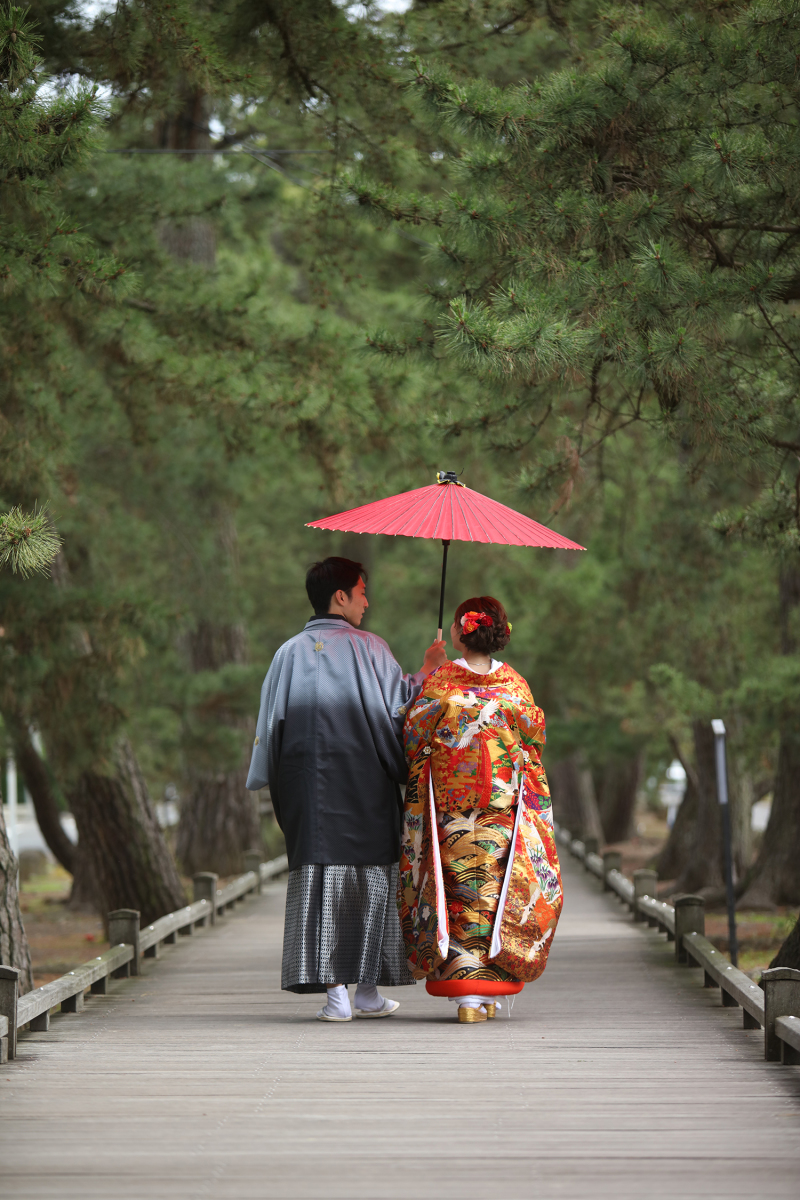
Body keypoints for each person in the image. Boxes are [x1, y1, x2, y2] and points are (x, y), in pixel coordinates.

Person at [246, 556, 446, 1022]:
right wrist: (429, 668)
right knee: (374, 878)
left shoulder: (287, 653)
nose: (366, 601)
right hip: (365, 779)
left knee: (320, 878)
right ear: (341, 596)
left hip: (306, 786)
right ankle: (368, 990)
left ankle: (338, 995)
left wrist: (275, 781)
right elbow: (404, 710)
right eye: (361, 592)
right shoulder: (371, 649)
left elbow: (268, 729)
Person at [399, 596, 563, 1023]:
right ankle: (485, 990)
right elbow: (534, 741)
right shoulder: (515, 686)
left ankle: (468, 996)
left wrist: (431, 668)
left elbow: (413, 734)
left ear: (458, 631)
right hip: (502, 806)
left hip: (450, 805)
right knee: (495, 891)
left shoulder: (441, 683)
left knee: (456, 890)